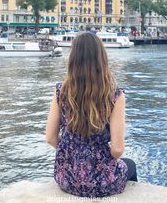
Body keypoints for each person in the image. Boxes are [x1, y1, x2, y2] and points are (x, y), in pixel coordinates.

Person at [46, 31, 137, 198]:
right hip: (103, 182)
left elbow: (50, 138)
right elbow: (117, 150)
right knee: (130, 165)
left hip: (66, 179)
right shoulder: (115, 95)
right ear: (101, 58)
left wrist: (71, 154)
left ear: (73, 58)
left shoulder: (61, 91)